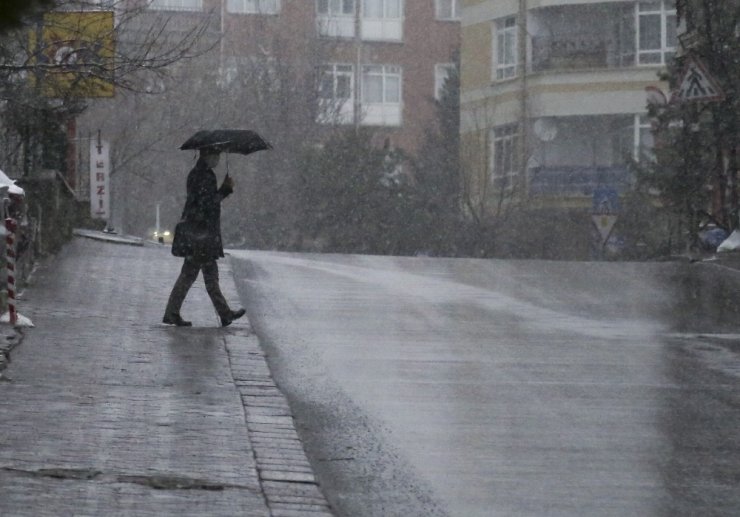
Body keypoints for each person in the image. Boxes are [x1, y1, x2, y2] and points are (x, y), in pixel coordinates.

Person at [163, 148, 246, 327]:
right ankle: (222, 313)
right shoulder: (204, 176)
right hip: (201, 233)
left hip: (199, 232)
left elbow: (202, 201)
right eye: (215, 155)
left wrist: (222, 190)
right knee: (201, 275)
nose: (217, 159)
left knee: (199, 274)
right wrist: (224, 190)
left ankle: (223, 313)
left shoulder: (198, 173)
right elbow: (207, 203)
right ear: (207, 155)